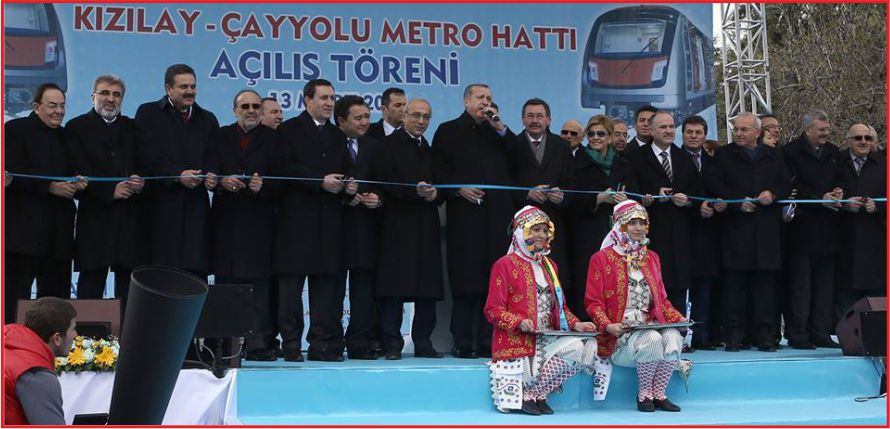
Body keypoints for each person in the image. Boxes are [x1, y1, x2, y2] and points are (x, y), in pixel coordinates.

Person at [273, 78, 356, 362]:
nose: (329, 103)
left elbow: (344, 168)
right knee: (291, 290)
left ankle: (321, 344)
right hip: (296, 223)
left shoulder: (337, 135)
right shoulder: (288, 130)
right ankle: (291, 344)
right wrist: (319, 181)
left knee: (326, 290)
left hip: (329, 223)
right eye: (323, 98)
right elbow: (283, 168)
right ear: (307, 100)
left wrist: (348, 185)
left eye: (332, 98)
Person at [485, 206, 597, 416]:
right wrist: (518, 322)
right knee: (573, 349)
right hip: (518, 337)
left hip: (547, 335)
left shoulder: (550, 265)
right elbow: (493, 309)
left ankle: (535, 393)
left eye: (545, 230)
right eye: (535, 229)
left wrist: (577, 324)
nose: (542, 235)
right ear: (521, 232)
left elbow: (559, 307)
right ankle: (531, 395)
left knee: (583, 348)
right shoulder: (504, 265)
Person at [432, 83, 514, 359]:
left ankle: (490, 340)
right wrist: (458, 189)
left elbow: (520, 158)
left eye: (489, 98)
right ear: (466, 101)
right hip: (466, 218)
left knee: (495, 281)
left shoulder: (497, 133)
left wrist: (500, 128)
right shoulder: (448, 131)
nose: (485, 102)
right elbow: (437, 171)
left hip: (496, 219)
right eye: (480, 97)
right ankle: (463, 340)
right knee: (467, 280)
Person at [585, 200, 687, 412]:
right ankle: (644, 395)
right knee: (652, 338)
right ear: (619, 225)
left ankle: (659, 393)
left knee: (673, 336)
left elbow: (661, 301)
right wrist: (608, 326)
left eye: (642, 223)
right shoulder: (601, 259)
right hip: (620, 335)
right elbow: (593, 303)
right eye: (632, 223)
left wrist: (680, 319)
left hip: (649, 326)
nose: (638, 228)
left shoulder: (652, 257)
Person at [704, 112, 791, 352]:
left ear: (758, 132)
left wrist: (772, 193)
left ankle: (765, 336)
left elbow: (786, 182)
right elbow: (714, 183)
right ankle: (734, 336)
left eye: (744, 130)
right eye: (736, 129)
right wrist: (736, 201)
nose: (739, 133)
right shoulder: (723, 155)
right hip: (736, 231)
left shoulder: (773, 155)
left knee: (765, 290)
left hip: (766, 231)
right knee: (735, 289)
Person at [5, 83, 87, 323]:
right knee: (13, 302)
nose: (58, 111)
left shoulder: (67, 136)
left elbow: (76, 169)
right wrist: (50, 187)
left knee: (56, 308)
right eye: (52, 105)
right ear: (36, 106)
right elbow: (13, 171)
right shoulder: (15, 129)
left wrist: (79, 182)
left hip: (59, 239)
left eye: (62, 106)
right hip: (23, 239)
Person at [208, 89, 279, 361]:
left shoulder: (274, 139)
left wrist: (264, 187)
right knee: (226, 284)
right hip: (227, 221)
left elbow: (284, 181)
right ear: (234, 110)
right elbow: (210, 171)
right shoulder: (221, 136)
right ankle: (225, 345)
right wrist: (222, 181)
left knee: (259, 287)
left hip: (260, 222)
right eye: (245, 106)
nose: (251, 111)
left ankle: (259, 344)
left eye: (256, 107)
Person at [66, 75, 144, 316]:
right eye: (105, 93)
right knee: (90, 286)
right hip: (95, 218)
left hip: (129, 219)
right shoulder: (76, 127)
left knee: (129, 288)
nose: (110, 99)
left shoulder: (133, 128)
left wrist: (140, 181)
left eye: (116, 94)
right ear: (93, 96)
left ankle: (128, 338)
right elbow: (75, 170)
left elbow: (145, 164)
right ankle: (84, 338)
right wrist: (110, 191)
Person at [374, 98, 444, 360]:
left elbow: (443, 184)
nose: (421, 121)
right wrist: (414, 190)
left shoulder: (430, 149)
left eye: (426, 117)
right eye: (416, 115)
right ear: (404, 116)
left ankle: (423, 341)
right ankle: (392, 343)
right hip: (397, 225)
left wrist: (435, 194)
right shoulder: (387, 146)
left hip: (426, 225)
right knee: (394, 287)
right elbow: (383, 182)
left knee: (427, 288)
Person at [135, 63, 219, 276]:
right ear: (168, 89)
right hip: (160, 207)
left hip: (196, 210)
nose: (190, 91)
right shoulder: (148, 113)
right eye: (184, 87)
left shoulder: (207, 119)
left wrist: (211, 175)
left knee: (194, 276)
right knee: (161, 274)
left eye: (193, 86)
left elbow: (214, 155)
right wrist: (177, 175)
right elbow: (146, 155)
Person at [621, 111, 699, 314]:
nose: (668, 131)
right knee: (650, 287)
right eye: (663, 127)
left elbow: (697, 192)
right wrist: (649, 197)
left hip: (680, 236)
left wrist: (687, 200)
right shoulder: (635, 157)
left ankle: (678, 328)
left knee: (678, 291)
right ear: (652, 130)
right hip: (650, 234)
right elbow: (629, 192)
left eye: (671, 127)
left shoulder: (684, 157)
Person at [782, 110, 841, 349]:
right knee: (801, 286)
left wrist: (838, 191)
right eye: (821, 130)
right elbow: (791, 185)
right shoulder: (789, 152)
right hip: (802, 230)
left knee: (824, 287)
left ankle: (821, 332)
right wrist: (818, 197)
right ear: (808, 130)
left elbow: (841, 178)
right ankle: (798, 333)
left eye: (827, 129)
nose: (825, 133)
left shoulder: (834, 152)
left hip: (829, 230)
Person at [335, 95, 384, 360]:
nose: (365, 122)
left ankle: (359, 342)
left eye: (367, 116)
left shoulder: (375, 147)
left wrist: (378, 198)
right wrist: (346, 197)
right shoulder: (329, 143)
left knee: (364, 291)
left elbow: (385, 182)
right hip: (335, 227)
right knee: (331, 291)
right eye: (358, 118)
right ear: (341, 121)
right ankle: (331, 342)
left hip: (366, 229)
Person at [508, 98, 574, 295]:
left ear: (549, 120)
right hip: (521, 226)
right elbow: (504, 184)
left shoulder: (562, 146)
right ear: (522, 119)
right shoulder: (512, 145)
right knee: (522, 283)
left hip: (553, 223)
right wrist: (527, 193)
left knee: (554, 280)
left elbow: (572, 183)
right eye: (530, 116)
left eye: (539, 116)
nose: (535, 121)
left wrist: (562, 196)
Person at [565, 115, 626, 320]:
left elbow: (634, 191)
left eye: (601, 133)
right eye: (591, 134)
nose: (595, 137)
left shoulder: (622, 163)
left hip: (615, 231)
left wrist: (624, 199)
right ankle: (586, 323)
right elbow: (570, 198)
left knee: (614, 278)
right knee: (586, 278)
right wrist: (597, 199)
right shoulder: (577, 162)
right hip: (586, 231)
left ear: (610, 136)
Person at [681, 115, 726, 350]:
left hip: (709, 235)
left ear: (705, 135)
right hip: (681, 232)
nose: (693, 136)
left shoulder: (714, 162)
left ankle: (702, 335)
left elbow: (721, 190)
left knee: (705, 287)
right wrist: (696, 207)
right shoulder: (675, 159)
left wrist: (719, 204)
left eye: (698, 132)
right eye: (689, 132)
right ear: (683, 134)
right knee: (680, 288)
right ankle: (678, 336)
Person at [833, 124, 886, 316]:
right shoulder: (836, 162)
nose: (863, 142)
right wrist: (844, 204)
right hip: (844, 241)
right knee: (846, 305)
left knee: (877, 304)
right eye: (858, 138)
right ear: (848, 141)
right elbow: (828, 193)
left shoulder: (884, 164)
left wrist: (878, 207)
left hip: (877, 244)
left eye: (868, 138)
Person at [3, 297, 78, 425]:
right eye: (73, 329)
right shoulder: (37, 374)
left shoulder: (8, 345)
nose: (75, 335)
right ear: (57, 338)